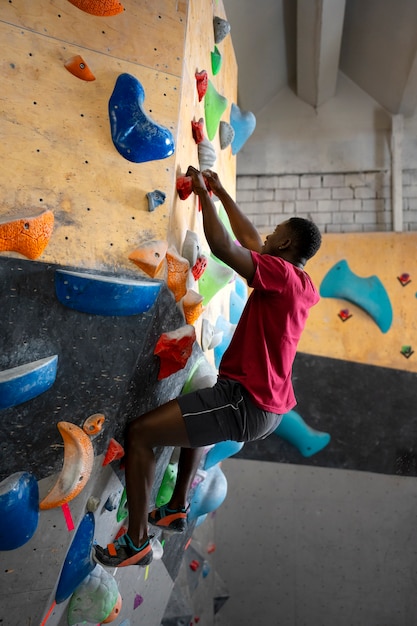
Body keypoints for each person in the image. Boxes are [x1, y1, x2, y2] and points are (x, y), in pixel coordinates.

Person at [94, 166, 322, 568]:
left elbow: (223, 246)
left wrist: (202, 195)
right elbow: (251, 241)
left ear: (285, 243)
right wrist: (220, 194)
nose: (266, 235)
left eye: (275, 232)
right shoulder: (298, 281)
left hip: (245, 402)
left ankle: (136, 541)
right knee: (202, 414)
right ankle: (178, 506)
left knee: (142, 433)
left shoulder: (281, 274)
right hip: (259, 404)